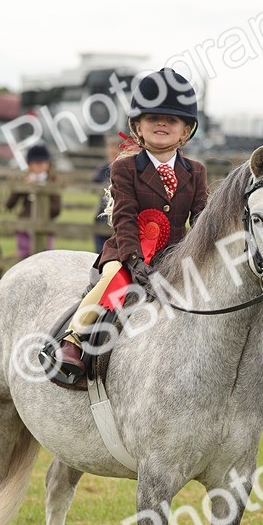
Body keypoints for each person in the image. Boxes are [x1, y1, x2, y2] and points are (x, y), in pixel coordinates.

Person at [48, 68, 208, 387]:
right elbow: (123, 215)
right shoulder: (125, 168)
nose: (161, 124)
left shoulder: (196, 171)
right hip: (127, 253)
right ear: (137, 126)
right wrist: (133, 261)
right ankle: (75, 341)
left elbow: (202, 218)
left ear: (185, 131)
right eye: (152, 118)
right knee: (112, 282)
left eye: (171, 120)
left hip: (175, 257)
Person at [5, 142, 62, 257]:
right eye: (36, 162)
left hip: (46, 227)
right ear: (29, 164)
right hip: (24, 228)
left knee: (45, 258)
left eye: (43, 162)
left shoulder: (53, 181)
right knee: (24, 260)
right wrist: (24, 186)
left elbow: (56, 209)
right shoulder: (23, 180)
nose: (40, 166)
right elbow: (10, 204)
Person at [92, 137, 122, 255]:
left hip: (118, 213)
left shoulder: (126, 168)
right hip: (103, 213)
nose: (112, 156)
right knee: (99, 249)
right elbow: (94, 180)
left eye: (114, 153)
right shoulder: (105, 168)